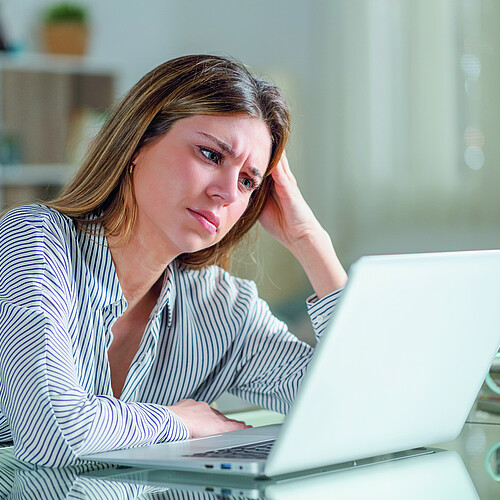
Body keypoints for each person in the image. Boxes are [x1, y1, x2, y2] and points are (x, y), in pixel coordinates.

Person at [0, 54, 347, 467]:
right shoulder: (36, 239)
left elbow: (357, 410)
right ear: (138, 142)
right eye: (211, 155)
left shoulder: (221, 308)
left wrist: (311, 241)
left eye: (248, 181)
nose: (227, 193)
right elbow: (49, 436)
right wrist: (180, 422)